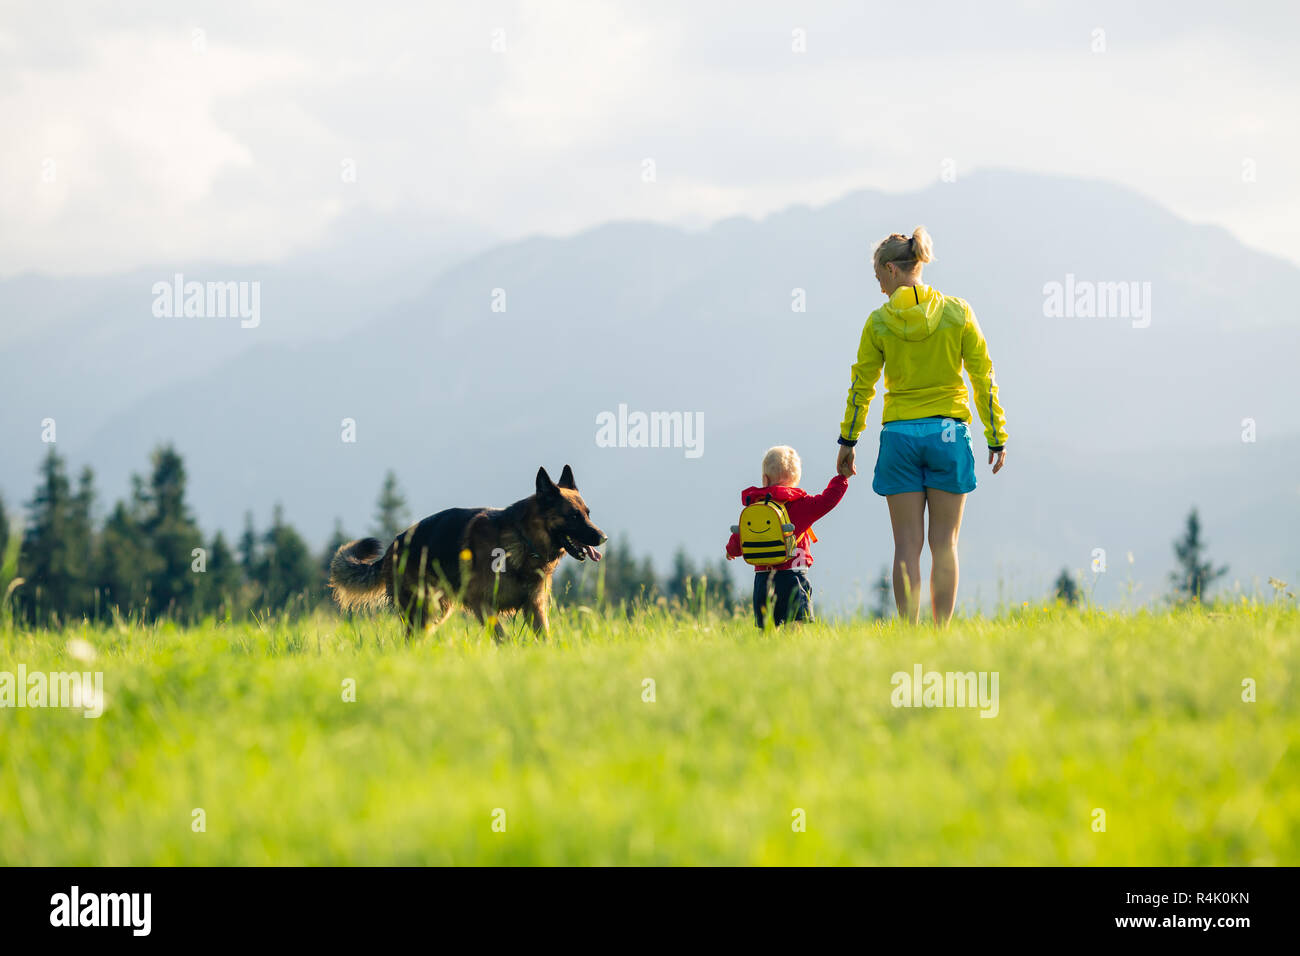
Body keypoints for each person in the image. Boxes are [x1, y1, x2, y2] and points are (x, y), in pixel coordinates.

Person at [835, 226, 1007, 625]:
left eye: (879, 276)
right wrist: (995, 434)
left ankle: (910, 635)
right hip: (948, 433)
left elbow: (863, 385)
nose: (879, 287)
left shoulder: (878, 322)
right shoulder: (958, 311)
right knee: (944, 543)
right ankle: (940, 634)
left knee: (906, 546)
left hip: (899, 437)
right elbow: (983, 377)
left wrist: (849, 438)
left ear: (893, 270)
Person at [726, 445, 848, 627]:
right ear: (796, 481)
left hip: (762, 579)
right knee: (795, 627)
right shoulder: (802, 505)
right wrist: (842, 479)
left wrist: (732, 550)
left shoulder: (756, 506)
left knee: (766, 631)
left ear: (765, 479)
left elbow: (742, 534)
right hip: (793, 577)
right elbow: (827, 500)